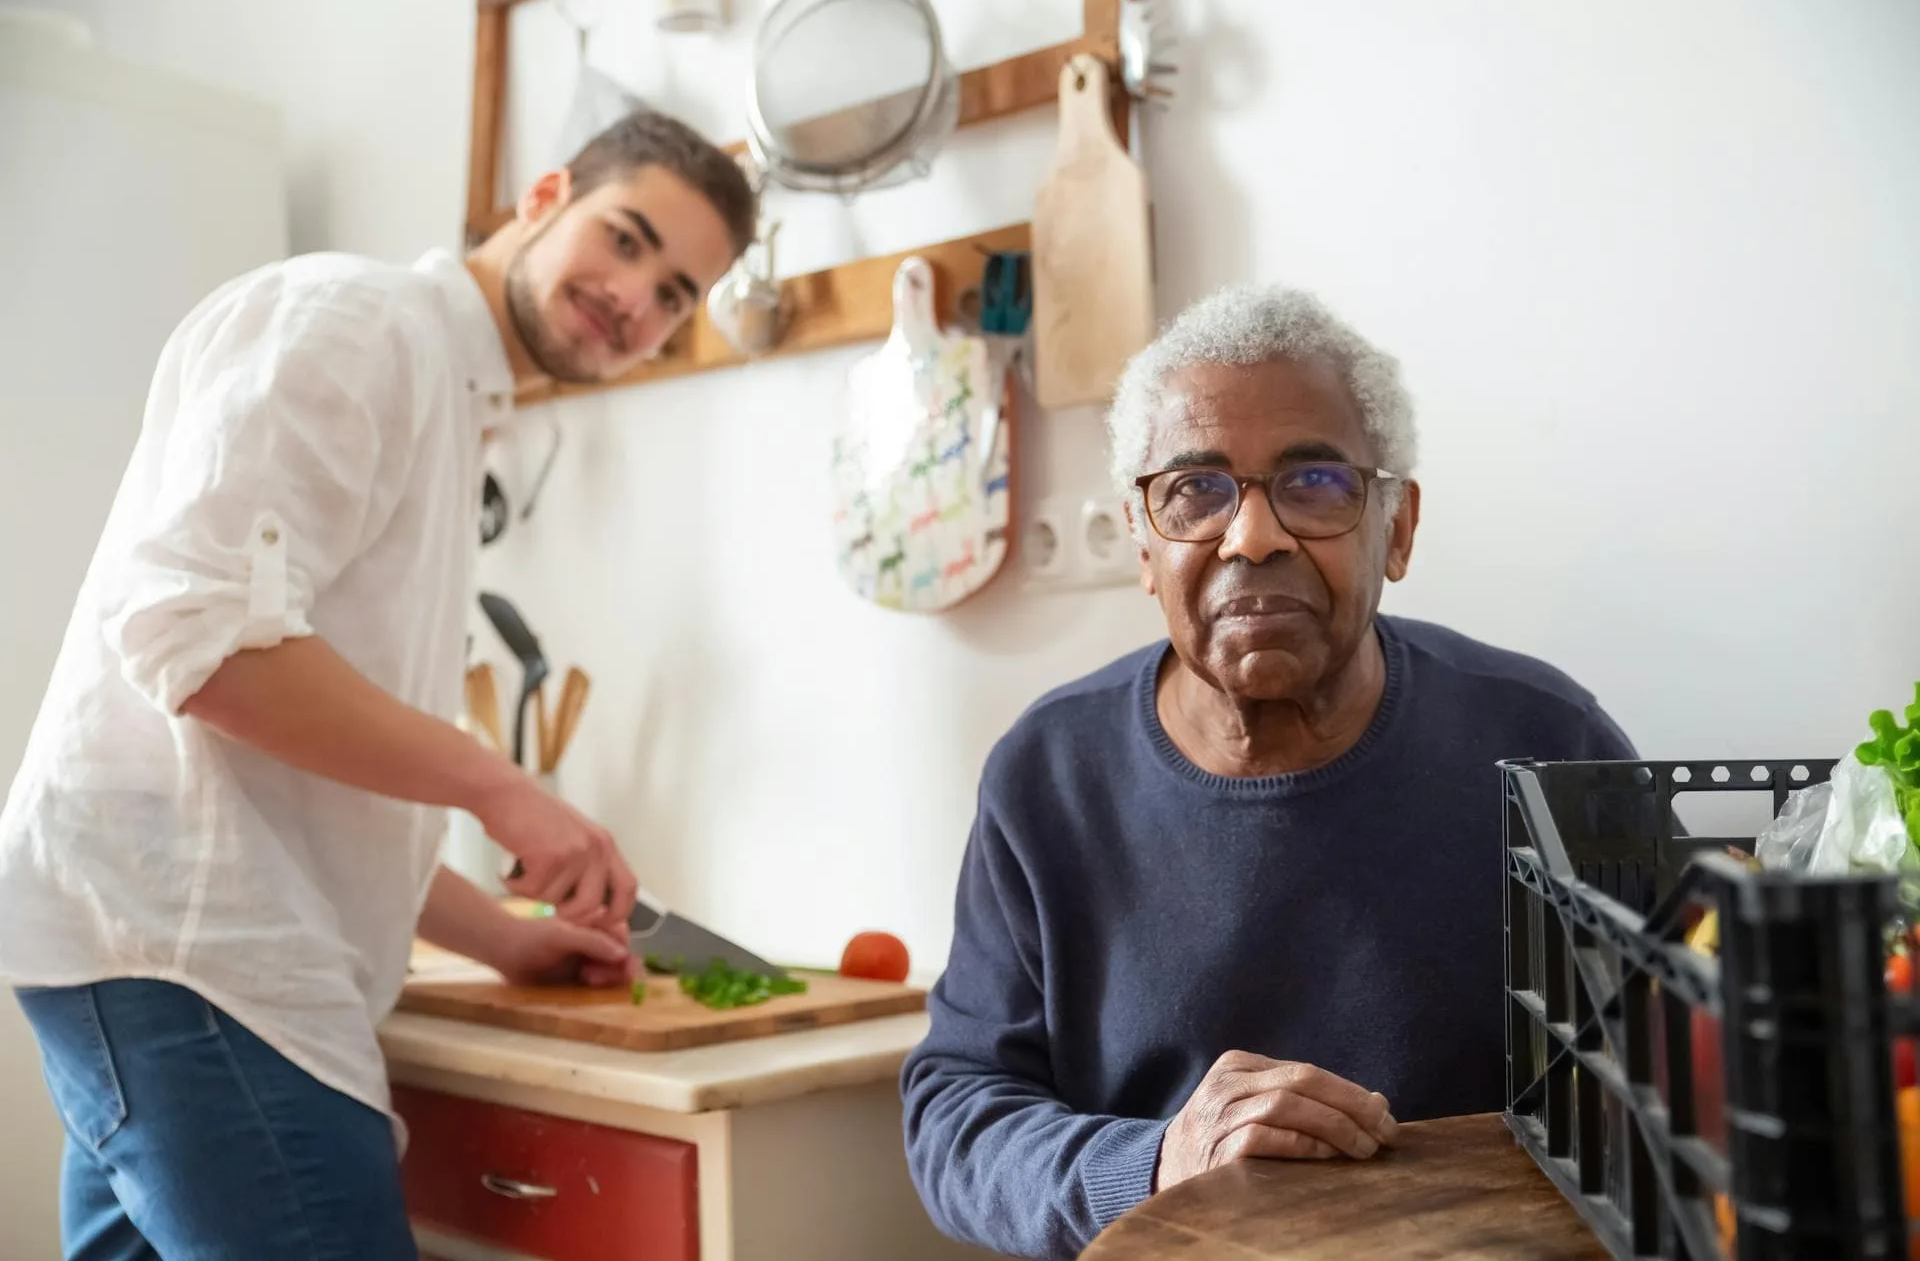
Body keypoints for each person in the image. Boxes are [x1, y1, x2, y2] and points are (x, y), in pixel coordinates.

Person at [0, 109, 755, 1259]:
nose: (636, 298)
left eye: (676, 295)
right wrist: (501, 787)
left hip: (161, 949)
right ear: (544, 195)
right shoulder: (363, 324)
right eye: (628, 238)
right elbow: (190, 639)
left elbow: (286, 776)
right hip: (198, 963)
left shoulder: (445, 395)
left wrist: (496, 934)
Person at [900, 283, 1640, 1260]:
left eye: (1317, 484)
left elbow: (1677, 1078)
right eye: (1195, 489)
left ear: (1399, 526)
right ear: (1142, 542)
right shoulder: (1048, 776)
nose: (1253, 536)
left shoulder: (1549, 743)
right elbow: (956, 1114)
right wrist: (1162, 1159)